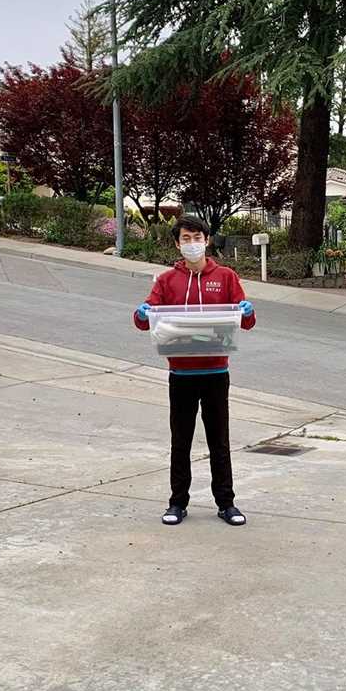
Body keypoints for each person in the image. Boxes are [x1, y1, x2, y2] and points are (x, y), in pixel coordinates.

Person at [133, 215, 256, 527]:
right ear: (177, 243)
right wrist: (142, 312)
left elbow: (246, 322)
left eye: (197, 237)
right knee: (181, 440)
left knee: (219, 441)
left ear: (207, 240)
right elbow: (145, 320)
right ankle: (177, 502)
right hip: (181, 374)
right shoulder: (166, 281)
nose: (192, 244)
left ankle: (226, 503)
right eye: (185, 238)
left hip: (216, 372)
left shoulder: (226, 277)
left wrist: (247, 311)